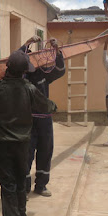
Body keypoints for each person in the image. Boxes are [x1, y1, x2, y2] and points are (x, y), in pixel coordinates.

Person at [0, 50, 57, 216]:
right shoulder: (29, 88)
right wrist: (53, 106)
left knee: (8, 184)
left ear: (8, 68)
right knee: (18, 182)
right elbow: (46, 106)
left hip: (2, 143)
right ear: (24, 71)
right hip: (22, 143)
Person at [20, 35, 66, 197]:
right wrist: (26, 44)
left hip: (45, 119)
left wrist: (57, 51)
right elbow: (15, 59)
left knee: (46, 151)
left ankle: (41, 185)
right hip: (27, 120)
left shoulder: (44, 74)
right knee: (26, 153)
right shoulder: (22, 76)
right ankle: (24, 188)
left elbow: (60, 70)